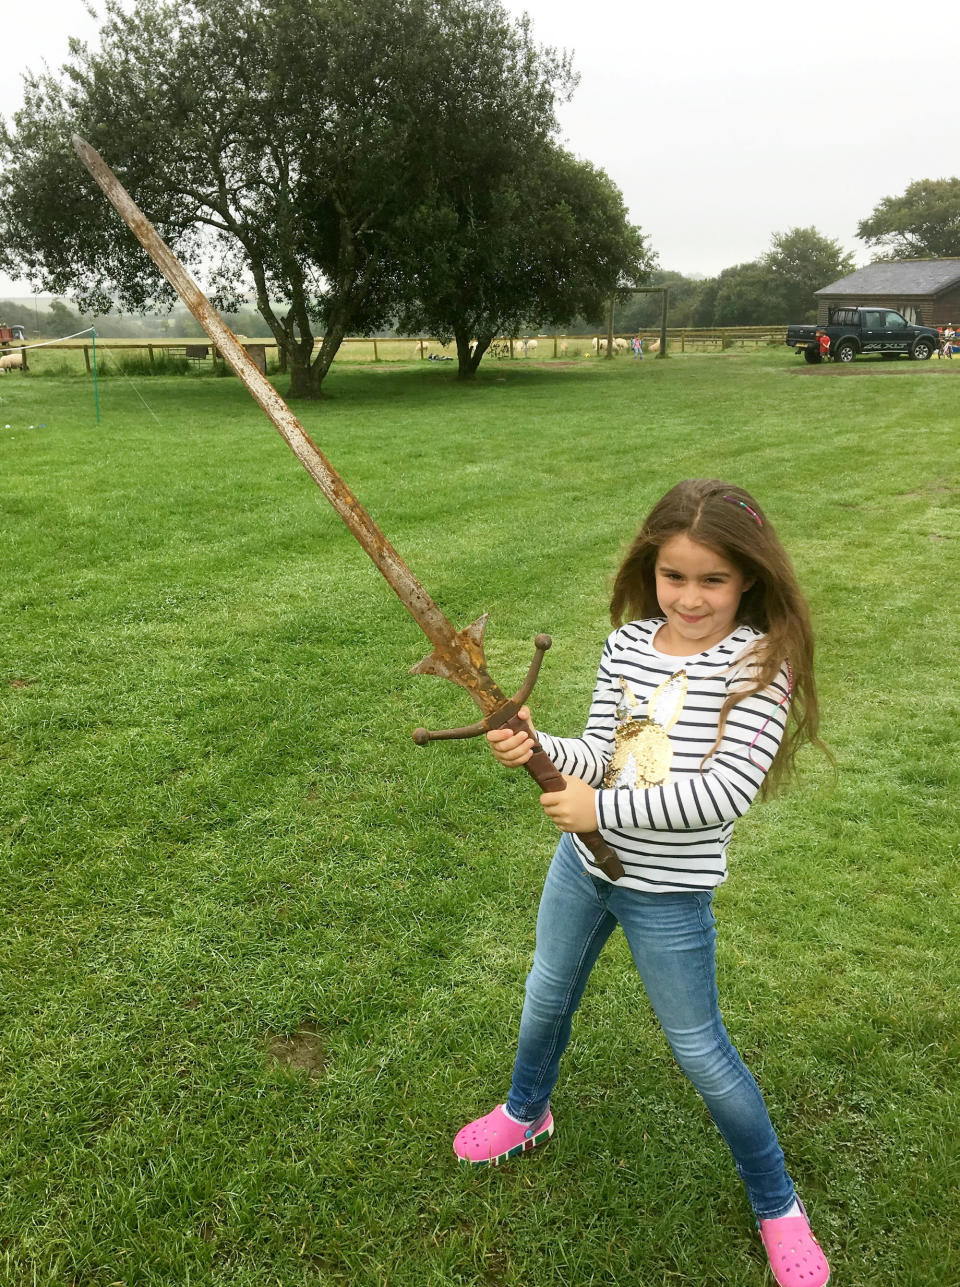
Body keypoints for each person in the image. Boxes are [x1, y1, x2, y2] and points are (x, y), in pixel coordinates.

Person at [453, 479, 830, 1287]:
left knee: (701, 1051)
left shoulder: (765, 661)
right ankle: (528, 1111)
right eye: (674, 575)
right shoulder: (628, 645)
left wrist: (602, 802)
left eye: (713, 579)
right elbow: (603, 747)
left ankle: (778, 1204)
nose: (690, 597)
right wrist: (538, 744)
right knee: (546, 992)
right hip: (584, 866)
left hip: (668, 892)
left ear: (750, 578)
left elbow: (726, 791)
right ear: (649, 569)